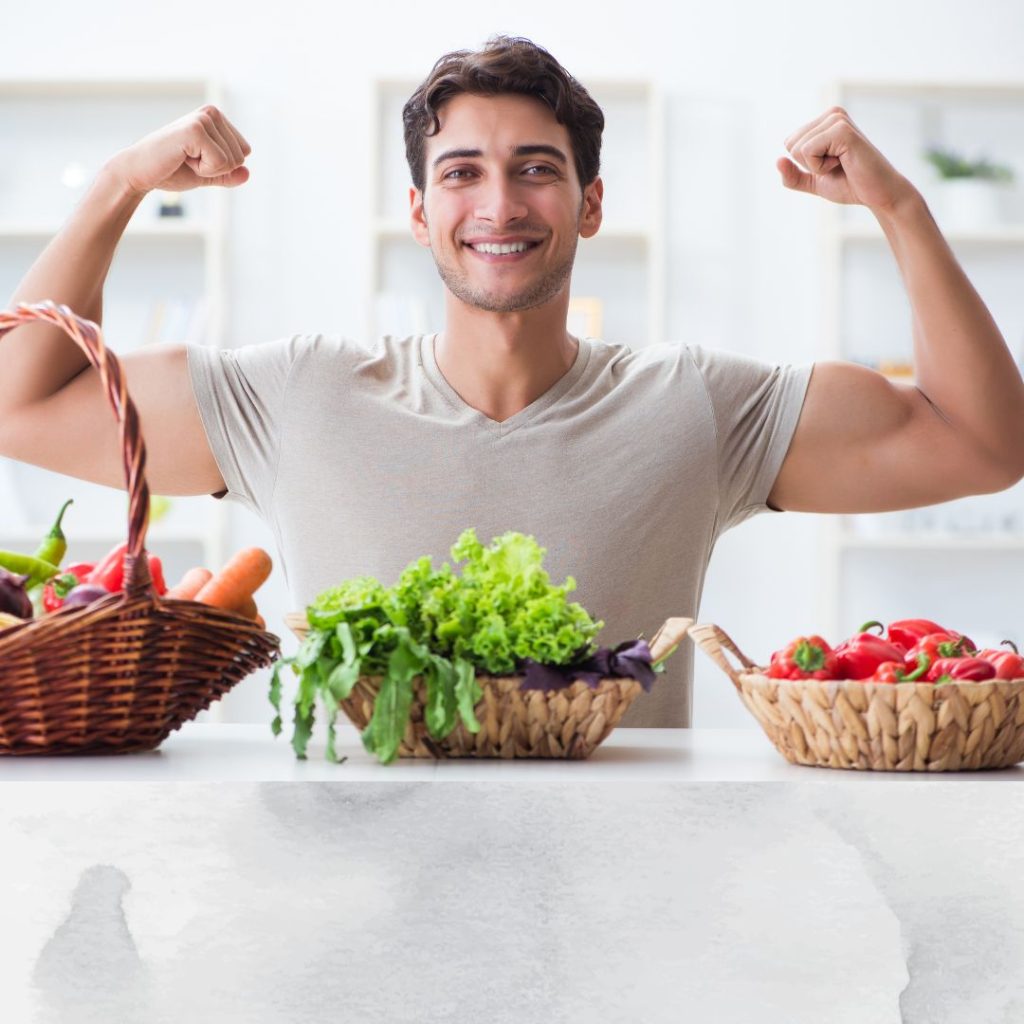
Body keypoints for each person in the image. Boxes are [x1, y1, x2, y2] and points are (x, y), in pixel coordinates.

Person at [2, 35, 1022, 728]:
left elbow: (982, 444)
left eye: (537, 167)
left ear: (589, 205)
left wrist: (899, 209)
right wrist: (117, 186)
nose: (500, 202)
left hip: (626, 916)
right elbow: (18, 401)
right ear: (417, 210)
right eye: (462, 172)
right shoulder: (296, 398)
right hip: (343, 916)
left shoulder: (697, 405)